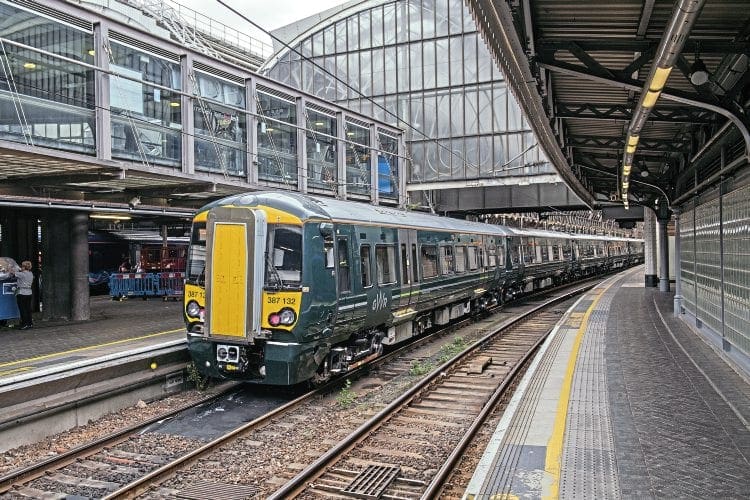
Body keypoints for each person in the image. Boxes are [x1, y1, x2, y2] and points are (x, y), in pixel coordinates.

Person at [15, 260, 33, 330]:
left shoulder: (21, 274)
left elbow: (12, 273)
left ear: (24, 267)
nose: (20, 267)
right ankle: (30, 323)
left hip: (22, 293)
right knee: (28, 309)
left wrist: (9, 268)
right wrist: (20, 269)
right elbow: (21, 271)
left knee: (22, 309)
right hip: (29, 293)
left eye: (22, 266)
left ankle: (24, 324)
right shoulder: (30, 273)